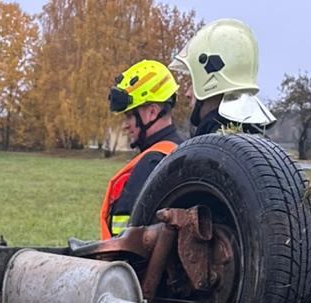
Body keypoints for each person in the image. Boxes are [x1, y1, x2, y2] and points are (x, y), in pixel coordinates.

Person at [99, 60, 183, 238]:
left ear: (152, 112)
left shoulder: (151, 163)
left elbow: (122, 238)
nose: (125, 125)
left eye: (129, 116)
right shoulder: (183, 151)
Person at [170, 19, 275, 137]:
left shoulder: (210, 145)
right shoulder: (259, 140)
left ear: (212, 80)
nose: (188, 93)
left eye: (193, 81)